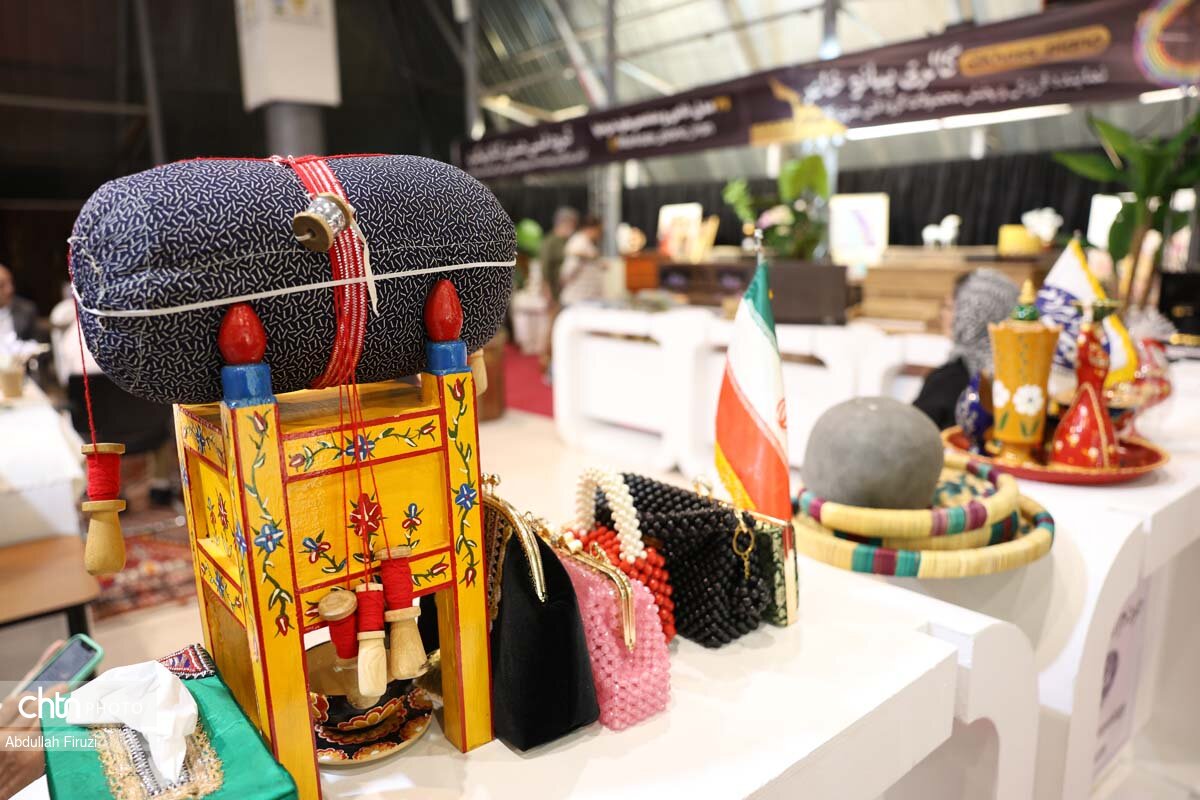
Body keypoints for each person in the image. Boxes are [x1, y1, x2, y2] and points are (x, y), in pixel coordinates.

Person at [913, 268, 1019, 430]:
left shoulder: (948, 379)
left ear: (974, 314)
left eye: (950, 307)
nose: (942, 314)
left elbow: (907, 435)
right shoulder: (1020, 380)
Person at [558, 217, 605, 307]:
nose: (600, 234)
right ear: (592, 228)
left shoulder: (586, 242)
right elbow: (567, 272)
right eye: (599, 230)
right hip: (576, 299)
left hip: (586, 299)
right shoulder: (579, 242)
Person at [539, 207, 579, 304]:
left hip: (565, 287)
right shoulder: (550, 241)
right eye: (572, 224)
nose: (573, 228)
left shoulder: (568, 240)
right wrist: (546, 288)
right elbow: (545, 265)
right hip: (553, 285)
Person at [0, 263, 38, 342]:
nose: (10, 289)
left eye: (10, 282)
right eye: (2, 285)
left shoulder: (26, 310)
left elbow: (36, 343)